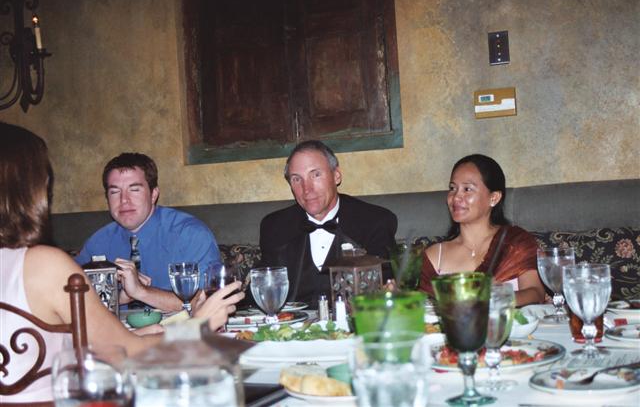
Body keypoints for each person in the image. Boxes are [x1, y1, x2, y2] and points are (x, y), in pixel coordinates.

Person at [0, 122, 244, 404]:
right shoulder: (45, 263)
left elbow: (72, 339)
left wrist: (139, 328)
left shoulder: (187, 232)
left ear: (154, 193)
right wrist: (199, 326)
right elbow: (126, 356)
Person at [75, 153, 222, 311]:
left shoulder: (190, 234)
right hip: (116, 334)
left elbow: (205, 301)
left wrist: (141, 292)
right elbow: (68, 297)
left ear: (153, 194)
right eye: (115, 192)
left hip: (180, 333)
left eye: (134, 190)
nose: (124, 200)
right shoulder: (98, 243)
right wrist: (117, 298)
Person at [260, 140, 398, 306]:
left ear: (336, 176)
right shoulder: (274, 226)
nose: (307, 189)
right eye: (297, 179)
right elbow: (263, 294)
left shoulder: (375, 221)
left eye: (316, 175)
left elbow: (385, 286)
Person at [419, 154, 544, 306]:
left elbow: (536, 293)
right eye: (453, 188)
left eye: (467, 189)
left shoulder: (515, 242)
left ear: (494, 198)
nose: (456, 197)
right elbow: (421, 305)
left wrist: (497, 297)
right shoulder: (434, 256)